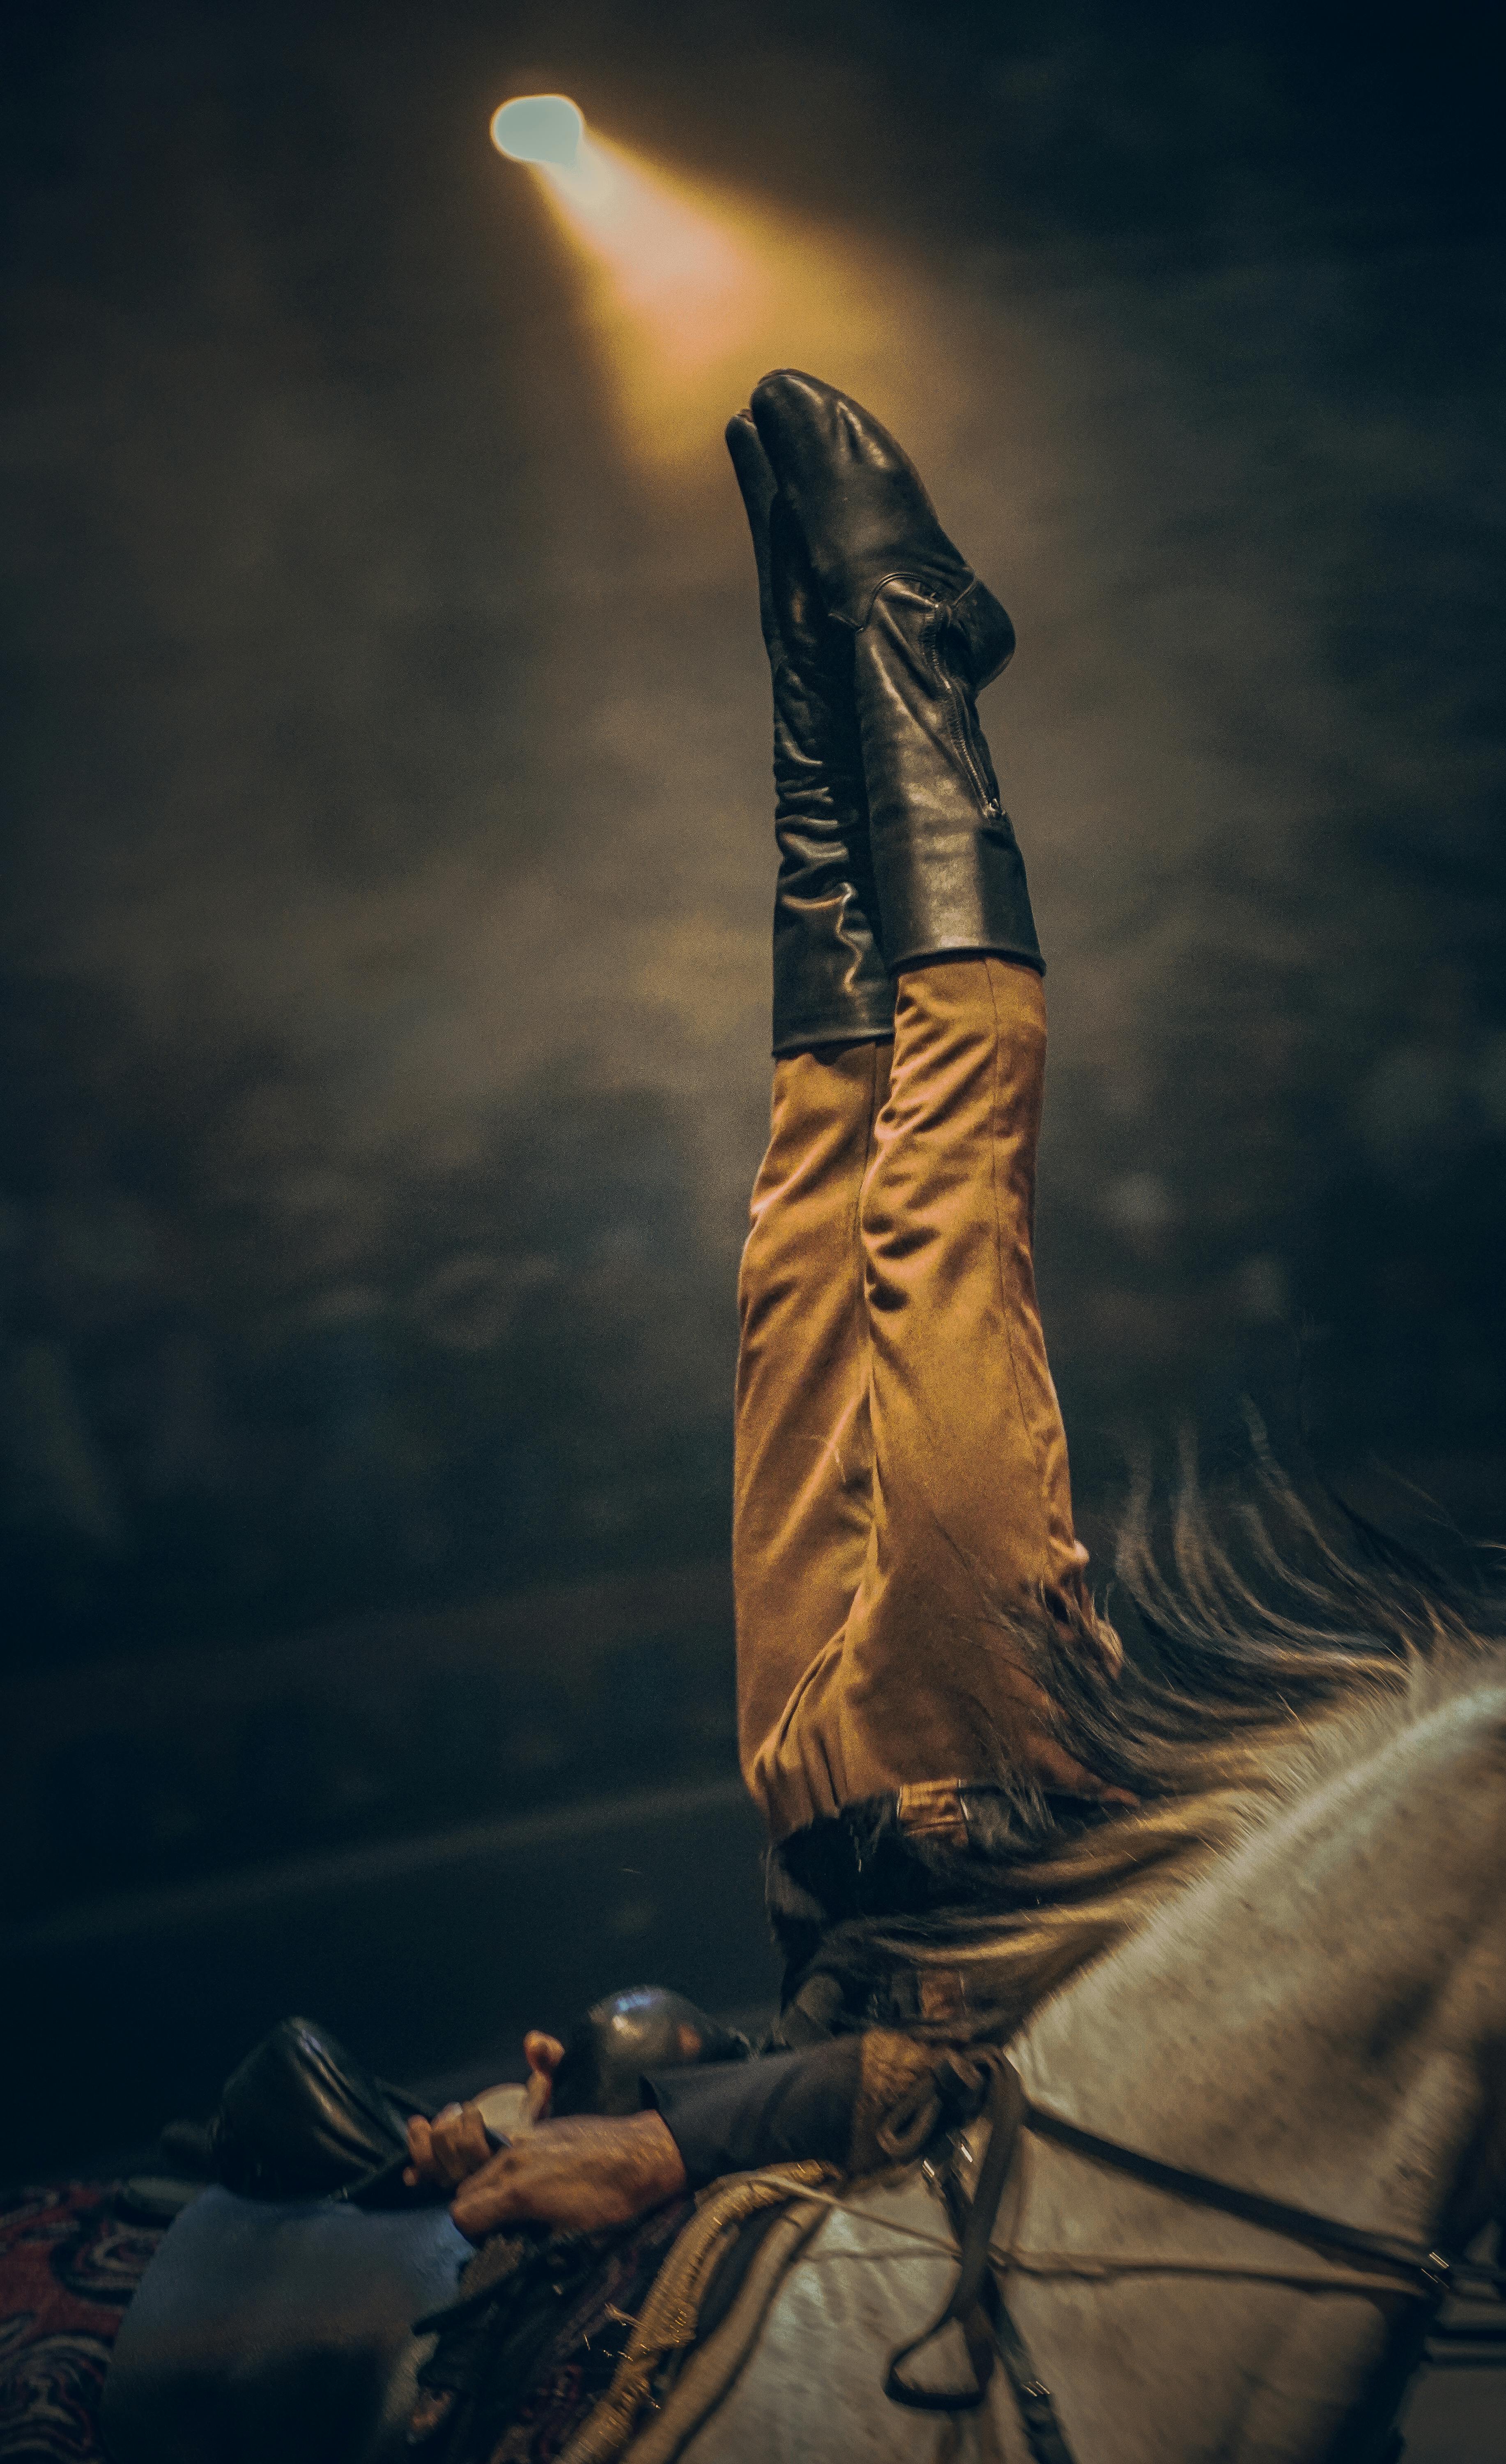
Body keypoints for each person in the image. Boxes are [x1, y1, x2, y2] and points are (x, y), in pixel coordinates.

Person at [400, 368, 1123, 2241]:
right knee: (942, 1198)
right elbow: (981, 2067)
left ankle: (824, 674)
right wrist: (675, 2132)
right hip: (1001, 1763)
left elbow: (832, 2062)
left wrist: (604, 2084)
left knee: (805, 1207)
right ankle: (902, 643)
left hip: (818, 1803)